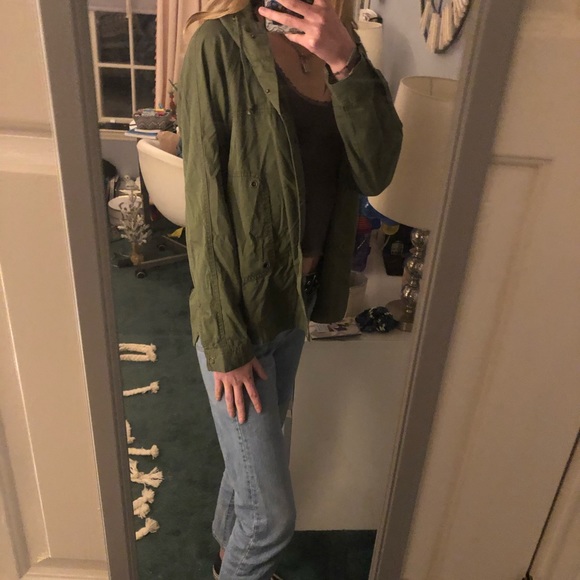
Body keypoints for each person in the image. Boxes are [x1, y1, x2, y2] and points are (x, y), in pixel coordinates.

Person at [177, 0, 402, 578]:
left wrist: (347, 63)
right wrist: (226, 342)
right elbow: (204, 203)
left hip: (296, 301)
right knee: (270, 519)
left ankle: (227, 559)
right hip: (241, 309)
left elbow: (375, 171)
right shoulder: (219, 44)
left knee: (249, 471)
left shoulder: (341, 47)